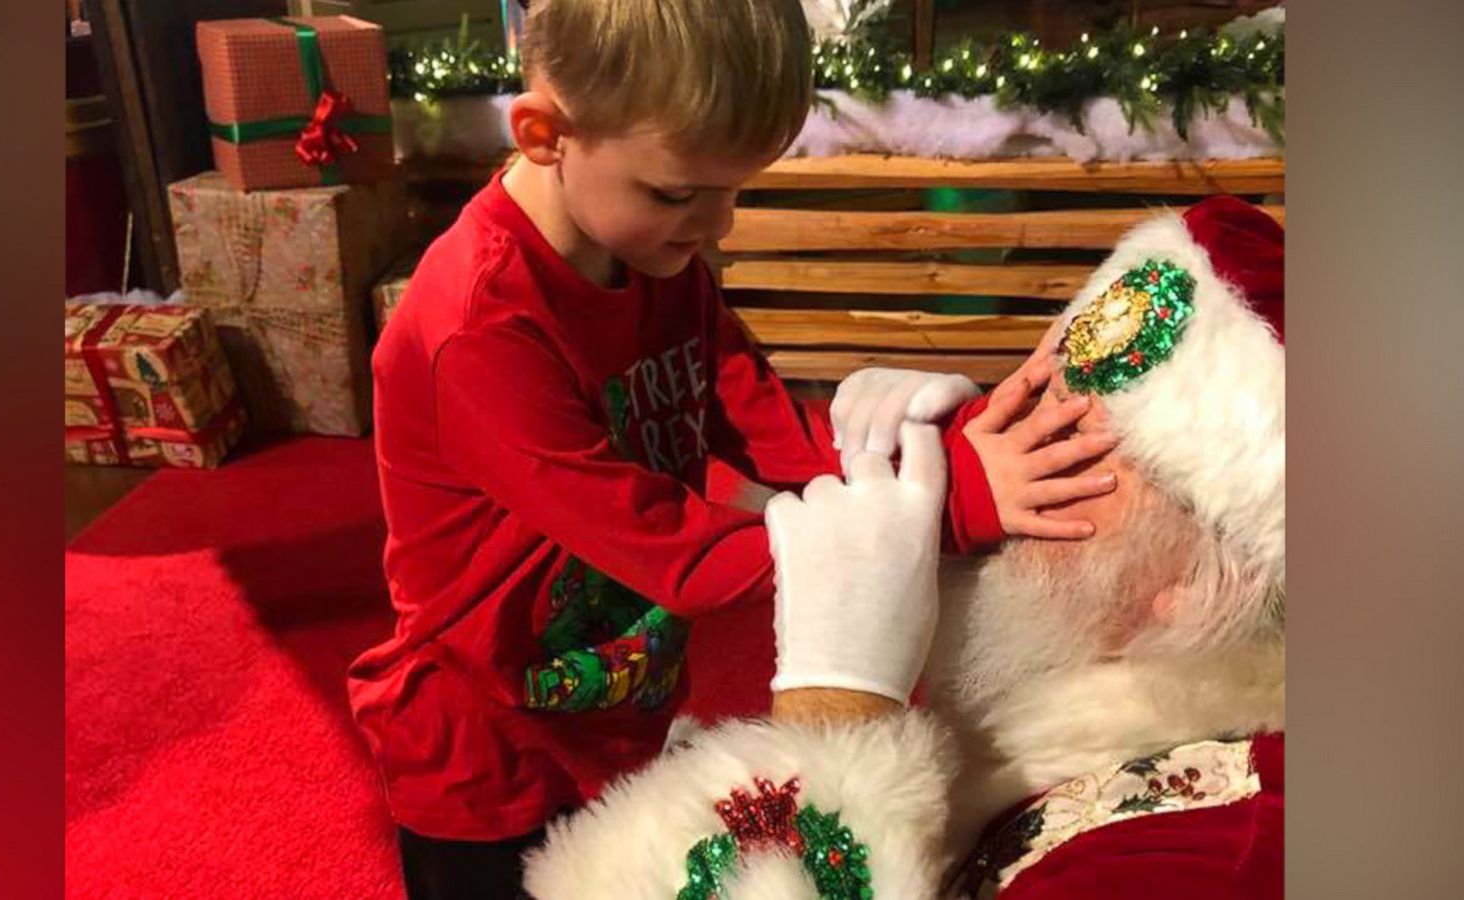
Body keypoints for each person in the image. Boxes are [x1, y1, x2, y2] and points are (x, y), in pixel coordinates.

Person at [349, 2, 1118, 896]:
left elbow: (762, 422)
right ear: (545, 134)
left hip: (617, 704)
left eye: (735, 189)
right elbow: (672, 545)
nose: (719, 227)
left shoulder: (645, 254)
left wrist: (933, 457)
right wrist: (947, 513)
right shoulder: (476, 329)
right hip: (486, 746)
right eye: (679, 194)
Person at [522, 195, 1286, 899]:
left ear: (1214, 581)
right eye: (1050, 397)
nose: (1024, 444)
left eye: (1081, 447)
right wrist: (933, 463)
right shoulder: (1108, 685)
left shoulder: (1209, 858)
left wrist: (837, 713)